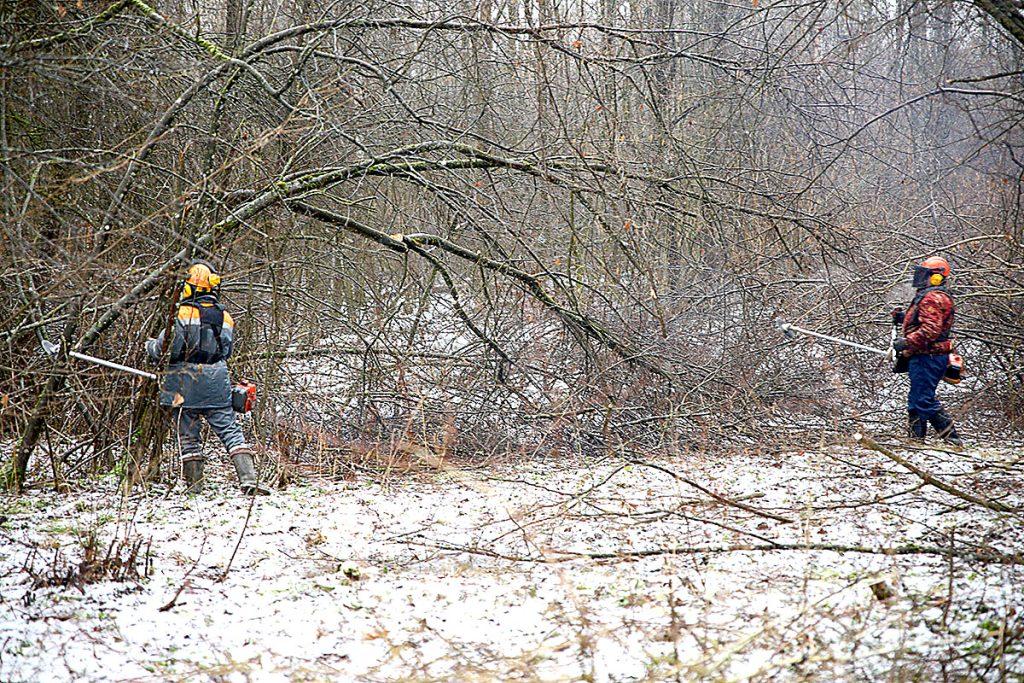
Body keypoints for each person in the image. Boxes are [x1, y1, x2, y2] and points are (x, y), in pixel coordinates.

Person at [146, 260, 269, 494]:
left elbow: (166, 349)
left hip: (183, 381)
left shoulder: (181, 314)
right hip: (217, 380)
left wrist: (149, 346)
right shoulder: (225, 317)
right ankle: (249, 479)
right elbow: (227, 351)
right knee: (230, 431)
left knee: (188, 434)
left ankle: (194, 487)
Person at [892, 256, 963, 447]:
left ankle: (952, 440)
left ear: (936, 277)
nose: (920, 278)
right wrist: (903, 318)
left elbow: (930, 330)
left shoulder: (932, 298)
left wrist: (906, 342)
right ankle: (915, 441)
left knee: (923, 400)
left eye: (925, 274)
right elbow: (926, 321)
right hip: (925, 355)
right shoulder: (932, 296)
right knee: (916, 398)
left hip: (929, 356)